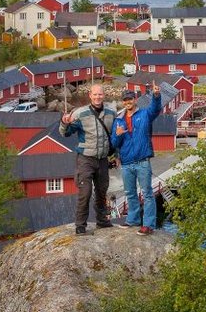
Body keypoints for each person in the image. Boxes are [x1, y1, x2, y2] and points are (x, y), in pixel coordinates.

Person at [59, 84, 117, 235]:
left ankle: (102, 221)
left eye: (100, 94)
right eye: (95, 94)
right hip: (85, 159)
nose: (98, 97)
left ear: (104, 95)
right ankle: (80, 225)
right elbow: (65, 133)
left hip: (103, 159)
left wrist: (116, 156)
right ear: (90, 96)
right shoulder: (80, 113)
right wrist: (64, 123)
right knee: (85, 192)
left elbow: (114, 137)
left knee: (102, 191)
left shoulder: (111, 113)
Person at [111, 83, 162, 235]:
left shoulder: (145, 114)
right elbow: (114, 143)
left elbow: (156, 108)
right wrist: (117, 135)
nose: (128, 102)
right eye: (125, 100)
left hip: (142, 162)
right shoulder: (118, 121)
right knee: (130, 193)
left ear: (135, 100)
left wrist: (156, 96)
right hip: (126, 164)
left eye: (130, 99)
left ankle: (148, 225)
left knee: (147, 193)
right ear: (123, 102)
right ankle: (132, 220)